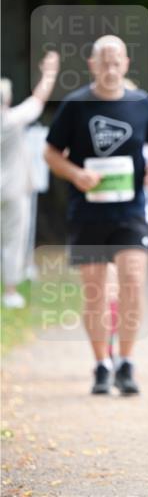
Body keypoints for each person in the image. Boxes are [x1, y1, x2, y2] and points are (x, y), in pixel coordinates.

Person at [44, 35, 148, 395]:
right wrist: (76, 174)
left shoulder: (141, 103)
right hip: (87, 212)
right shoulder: (75, 104)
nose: (111, 68)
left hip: (130, 211)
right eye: (105, 62)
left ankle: (126, 363)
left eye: (117, 62)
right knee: (95, 290)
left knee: (133, 279)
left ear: (127, 64)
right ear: (92, 64)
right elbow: (51, 152)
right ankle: (101, 363)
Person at [1, 52, 60, 308]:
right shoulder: (11, 120)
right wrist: (50, 72)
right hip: (13, 188)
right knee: (14, 238)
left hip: (12, 187)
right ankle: (10, 289)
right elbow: (38, 99)